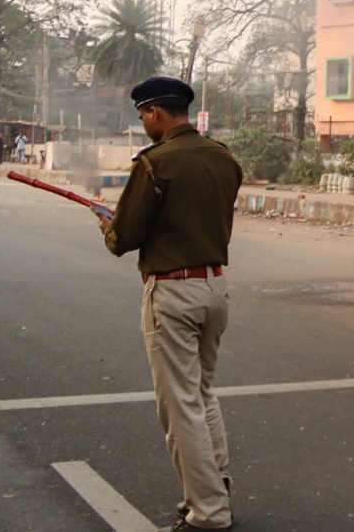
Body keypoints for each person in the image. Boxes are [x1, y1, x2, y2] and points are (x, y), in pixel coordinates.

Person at [96, 76, 244, 530]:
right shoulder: (223, 158)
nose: (143, 123)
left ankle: (208, 513)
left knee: (180, 405)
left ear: (155, 112)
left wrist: (107, 223)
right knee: (201, 393)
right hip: (214, 286)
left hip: (173, 292)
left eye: (142, 115)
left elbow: (124, 239)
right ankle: (214, 488)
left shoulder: (154, 164)